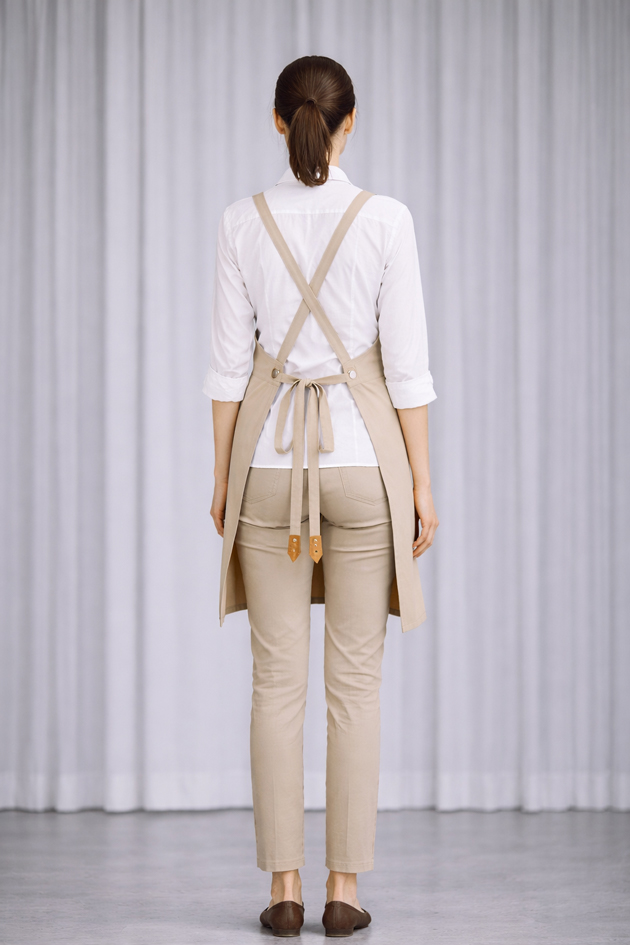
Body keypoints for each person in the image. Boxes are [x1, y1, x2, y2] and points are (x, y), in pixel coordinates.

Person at [204, 55, 439, 938]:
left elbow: (227, 369)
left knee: (274, 682)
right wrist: (421, 483)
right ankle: (344, 889)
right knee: (356, 684)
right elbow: (407, 369)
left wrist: (222, 478)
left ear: (279, 121)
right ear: (350, 123)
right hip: (365, 465)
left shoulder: (241, 222)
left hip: (267, 464)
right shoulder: (386, 219)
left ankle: (284, 888)